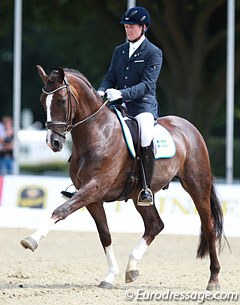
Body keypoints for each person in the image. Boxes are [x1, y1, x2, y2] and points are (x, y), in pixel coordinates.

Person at [98, 6, 163, 205]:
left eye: (132, 26)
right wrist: (101, 90)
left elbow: (147, 85)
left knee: (144, 134)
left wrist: (122, 93)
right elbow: (110, 77)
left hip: (143, 106)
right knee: (96, 128)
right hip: (120, 105)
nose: (128, 29)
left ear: (143, 27)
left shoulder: (153, 52)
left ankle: (145, 187)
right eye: (126, 26)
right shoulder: (120, 51)